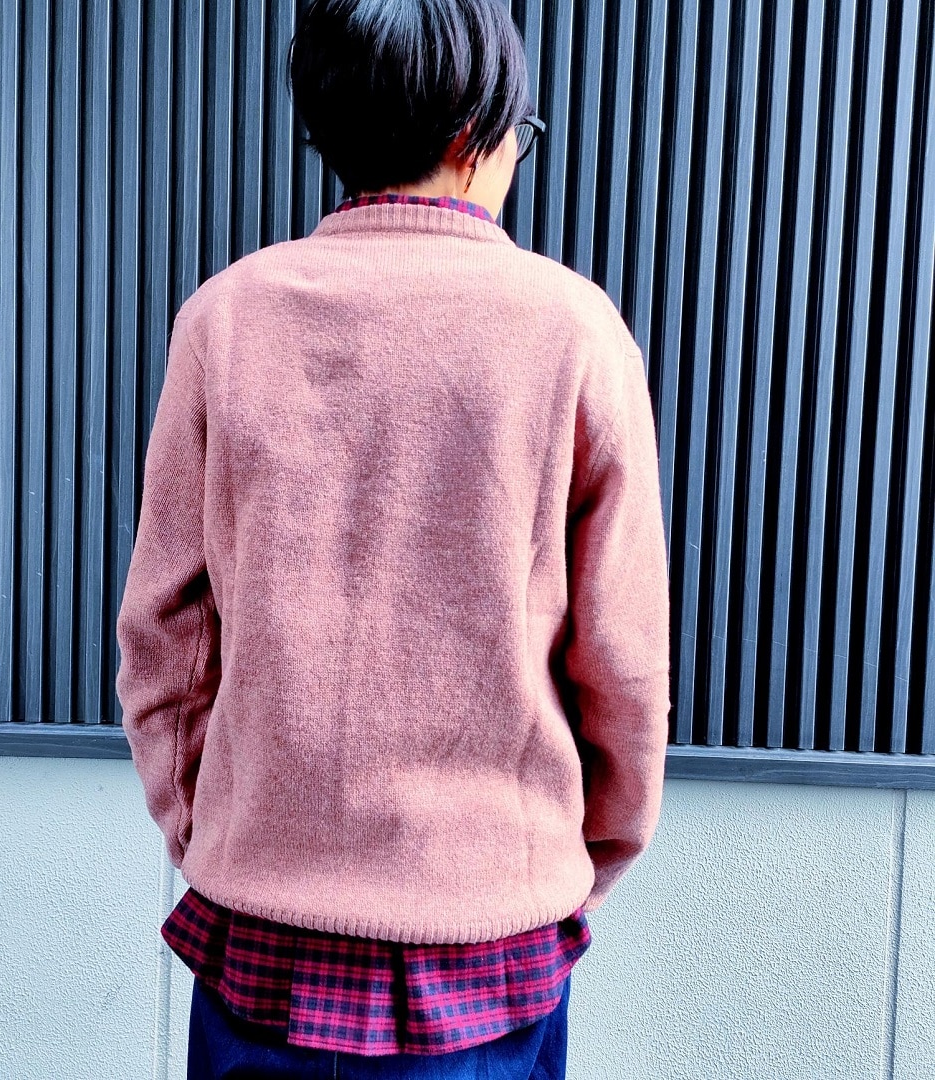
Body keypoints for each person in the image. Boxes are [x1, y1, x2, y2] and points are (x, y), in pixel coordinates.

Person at [114, 0, 671, 1075]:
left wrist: (213, 829)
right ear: (474, 134)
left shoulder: (225, 318)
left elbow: (164, 636)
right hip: (491, 942)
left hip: (261, 933)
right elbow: (625, 662)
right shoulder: (574, 330)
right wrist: (567, 860)